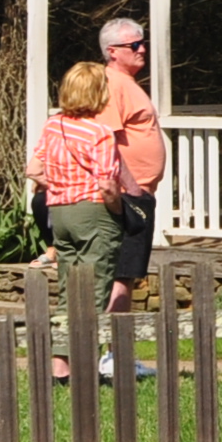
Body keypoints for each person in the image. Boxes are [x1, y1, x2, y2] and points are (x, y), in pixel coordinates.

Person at [29, 61, 124, 384]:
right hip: (93, 211)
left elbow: (33, 169)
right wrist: (119, 211)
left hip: (61, 213)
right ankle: (86, 368)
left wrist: (59, 184)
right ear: (98, 93)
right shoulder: (101, 133)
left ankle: (60, 367)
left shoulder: (53, 125)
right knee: (95, 290)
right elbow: (108, 184)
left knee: (68, 288)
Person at [96, 18, 164, 320]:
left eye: (142, 42)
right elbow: (105, 139)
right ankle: (111, 353)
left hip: (137, 193)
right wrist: (133, 189)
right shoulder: (112, 84)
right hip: (127, 195)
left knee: (127, 274)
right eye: (134, 45)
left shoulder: (127, 84)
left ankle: (113, 352)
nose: (142, 49)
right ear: (113, 51)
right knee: (121, 274)